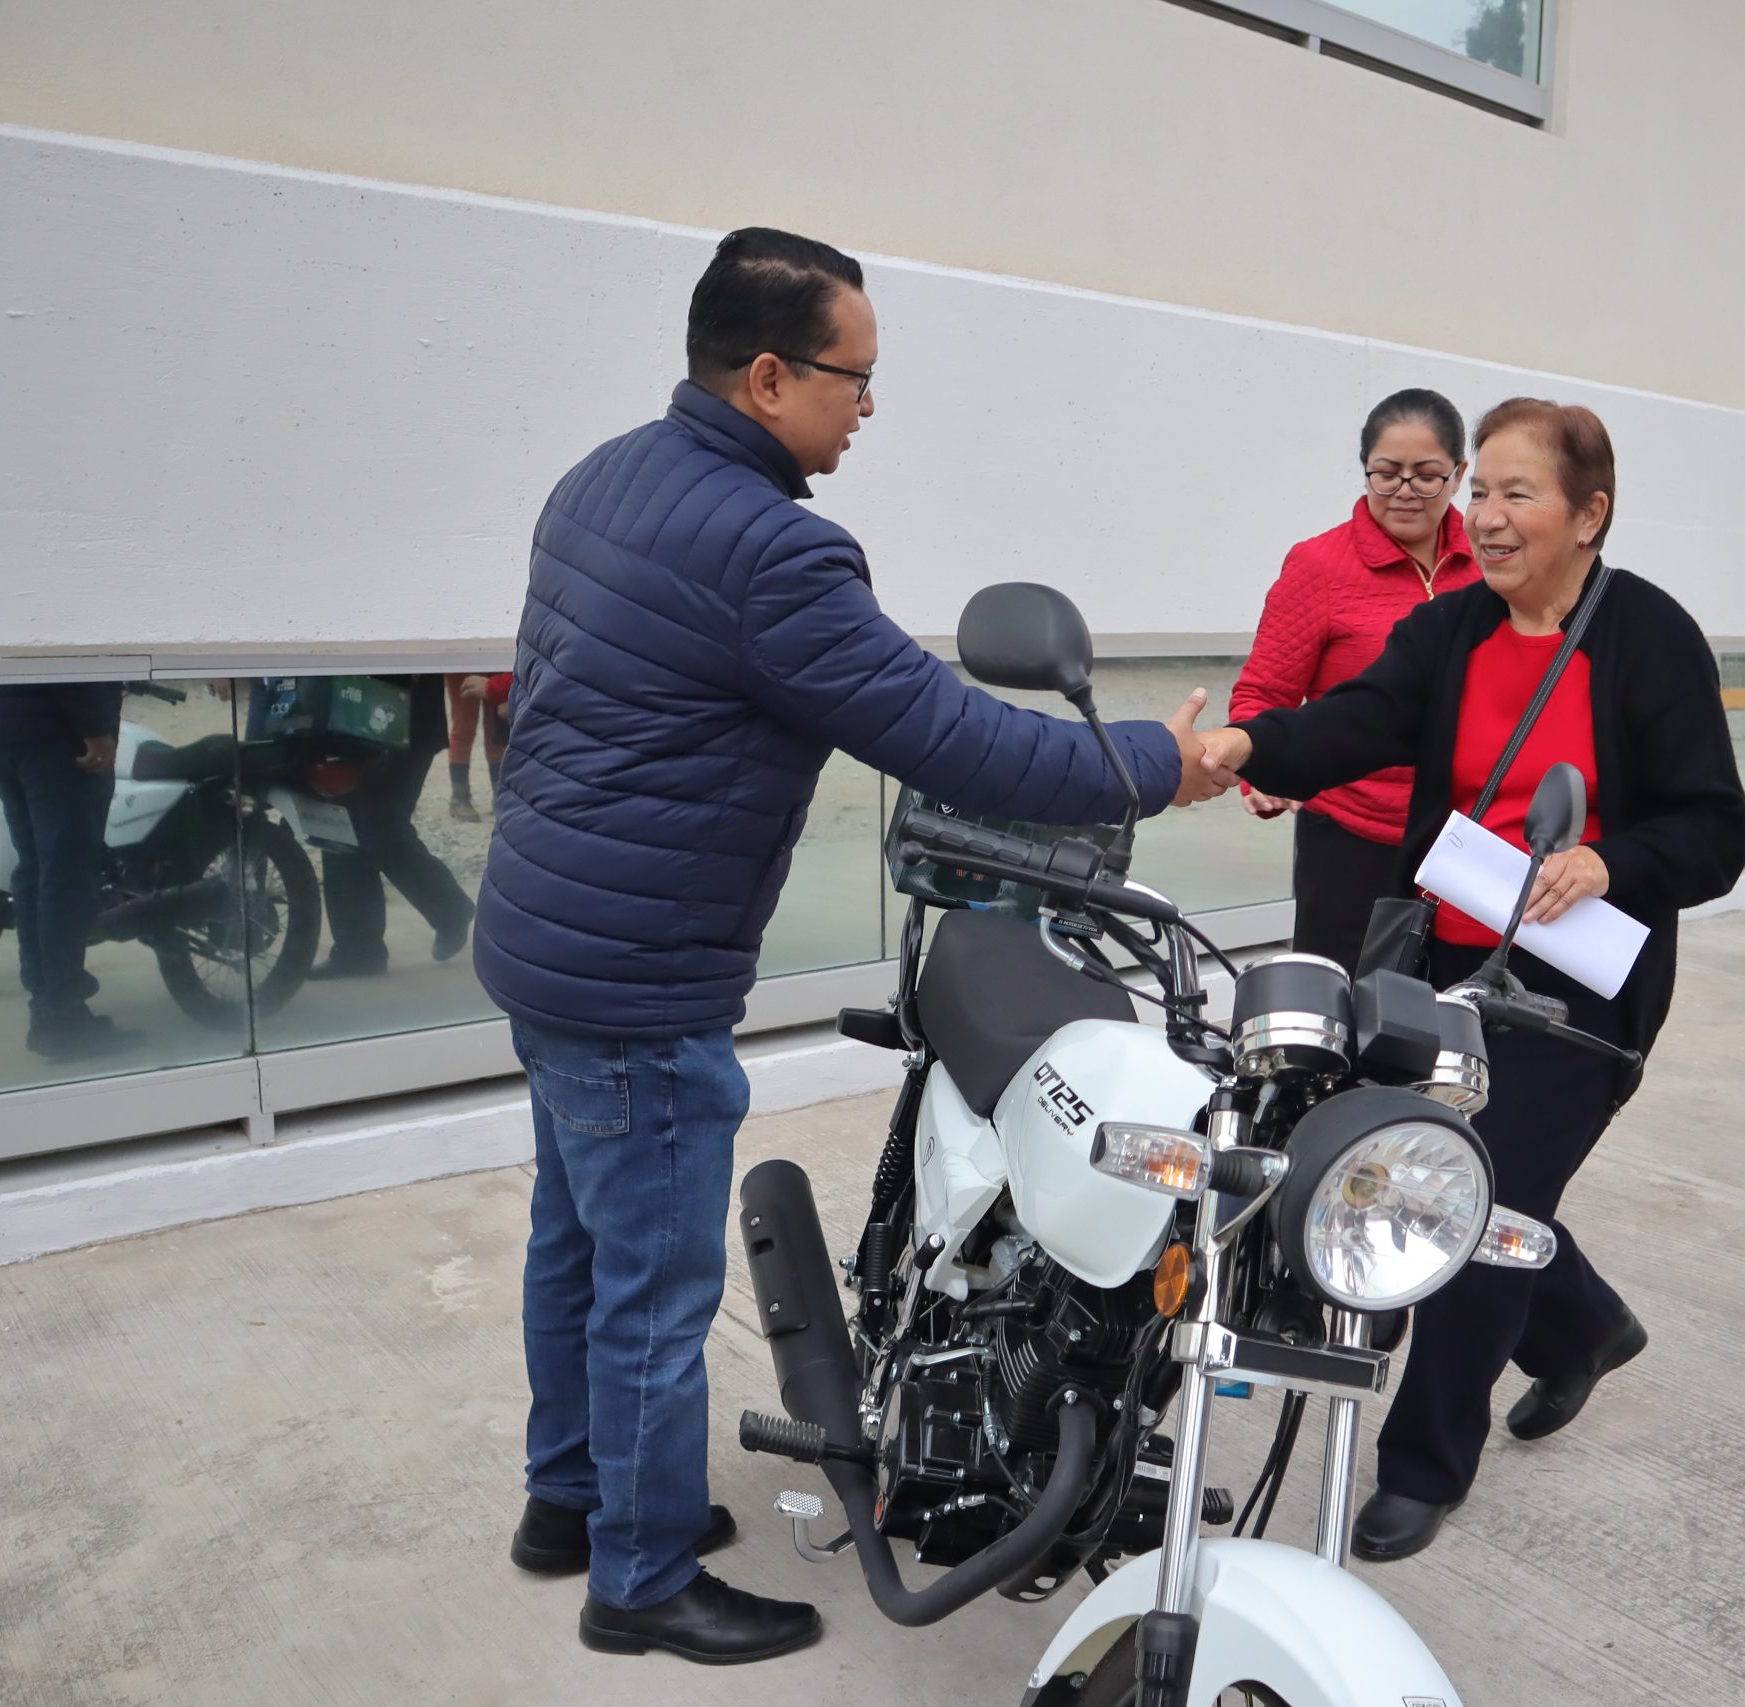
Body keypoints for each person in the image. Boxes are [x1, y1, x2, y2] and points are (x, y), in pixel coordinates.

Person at [472, 227, 1226, 1667]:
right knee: (652, 1289)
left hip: (544, 936)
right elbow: (951, 737)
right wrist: (1153, 763)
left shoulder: (603, 477)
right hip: (638, 975)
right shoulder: (772, 550)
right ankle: (638, 1578)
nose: (867, 409)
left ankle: (568, 1499)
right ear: (768, 377)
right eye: (853, 379)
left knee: (574, 1240)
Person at [1195, 398, 1745, 1561]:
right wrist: (1244, 745)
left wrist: (1610, 861)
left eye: (1515, 495)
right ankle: (1581, 1326)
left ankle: (1423, 1464)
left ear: (1588, 515)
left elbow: (1715, 831)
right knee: (1437, 1176)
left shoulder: (1648, 637)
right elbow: (1356, 721)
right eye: (1481, 493)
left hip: (1581, 990)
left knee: (1471, 1201)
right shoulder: (1450, 629)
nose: (1486, 518)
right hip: (1449, 962)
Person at [1231, 390, 1480, 970]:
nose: (1405, 491)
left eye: (1427, 476)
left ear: (1459, 474)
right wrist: (1261, 770)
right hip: (1351, 838)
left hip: (1466, 836)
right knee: (1342, 1003)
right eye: (1386, 474)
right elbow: (1263, 692)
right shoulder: (1319, 565)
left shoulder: (1490, 564)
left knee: (1454, 1005)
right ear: (1364, 467)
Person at [0, 681, 141, 1060]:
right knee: (66, 877)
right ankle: (63, 1015)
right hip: (56, 735)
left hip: (2, 731)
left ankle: (47, 1007)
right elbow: (73, 661)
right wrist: (95, 729)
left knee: (35, 871)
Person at [306, 674, 476, 978]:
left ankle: (449, 909)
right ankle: (358, 950)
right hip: (346, 708)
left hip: (402, 710)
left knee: (381, 826)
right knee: (341, 825)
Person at [445, 672, 508, 822]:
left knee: (497, 729)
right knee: (463, 726)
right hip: (462, 665)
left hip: (495, 663)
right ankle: (459, 796)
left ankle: (501, 794)